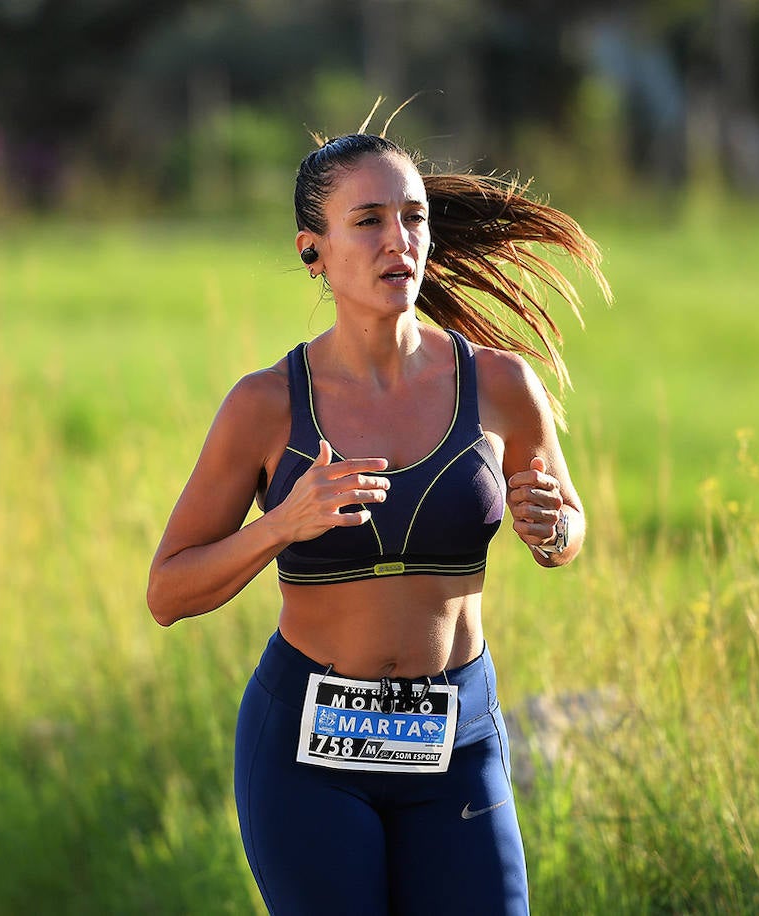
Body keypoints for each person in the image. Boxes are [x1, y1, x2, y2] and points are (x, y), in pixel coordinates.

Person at [146, 100, 610, 915]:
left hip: (456, 743)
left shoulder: (500, 387)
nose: (399, 239)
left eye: (413, 217)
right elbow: (168, 592)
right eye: (368, 221)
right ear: (313, 252)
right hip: (306, 757)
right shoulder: (265, 407)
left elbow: (566, 518)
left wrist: (555, 530)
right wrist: (281, 525)